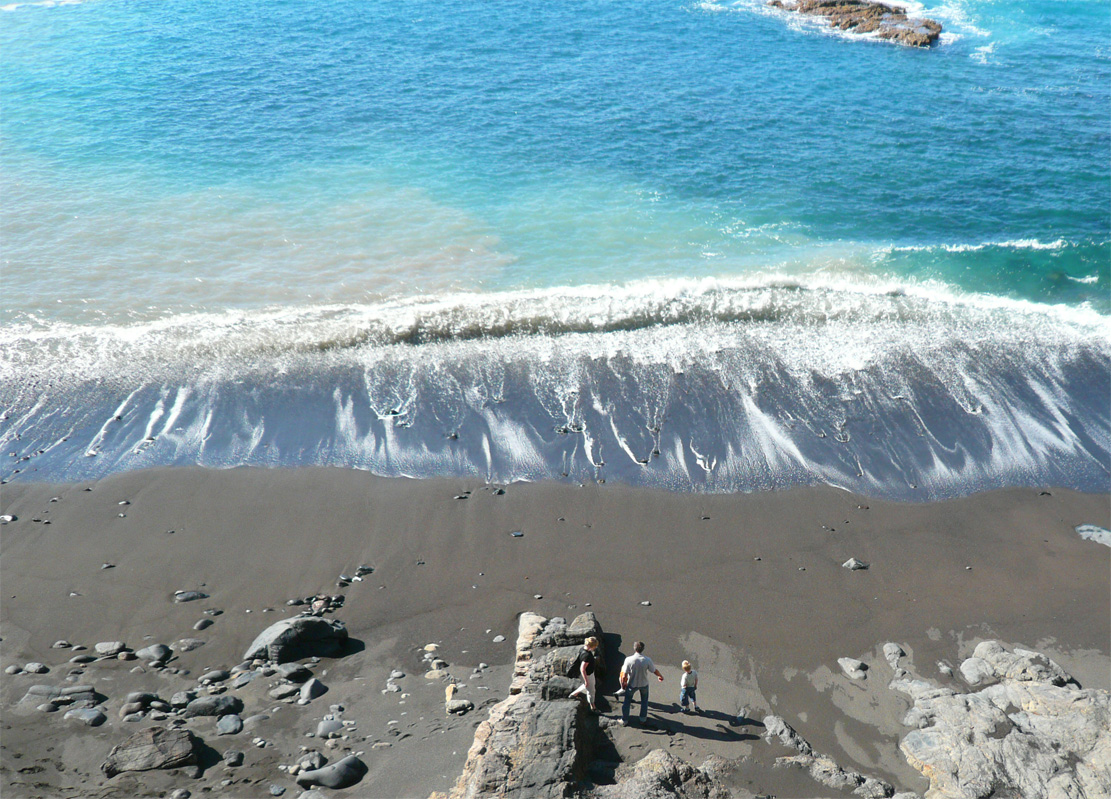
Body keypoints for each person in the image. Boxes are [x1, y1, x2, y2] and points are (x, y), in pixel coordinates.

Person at [619, 641, 663, 725]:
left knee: (627, 701)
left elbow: (624, 674)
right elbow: (654, 670)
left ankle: (625, 720)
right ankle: (642, 719)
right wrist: (660, 676)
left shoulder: (628, 660)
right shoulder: (647, 660)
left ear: (634, 648)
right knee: (644, 701)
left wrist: (623, 683)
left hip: (632, 684)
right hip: (644, 684)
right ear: (643, 649)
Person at [568, 636, 600, 711]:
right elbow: (582, 669)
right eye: (595, 646)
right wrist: (586, 680)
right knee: (591, 691)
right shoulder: (587, 656)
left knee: (588, 686)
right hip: (587, 675)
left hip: (588, 674)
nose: (595, 648)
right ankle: (593, 707)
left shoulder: (582, 649)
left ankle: (573, 694)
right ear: (591, 646)